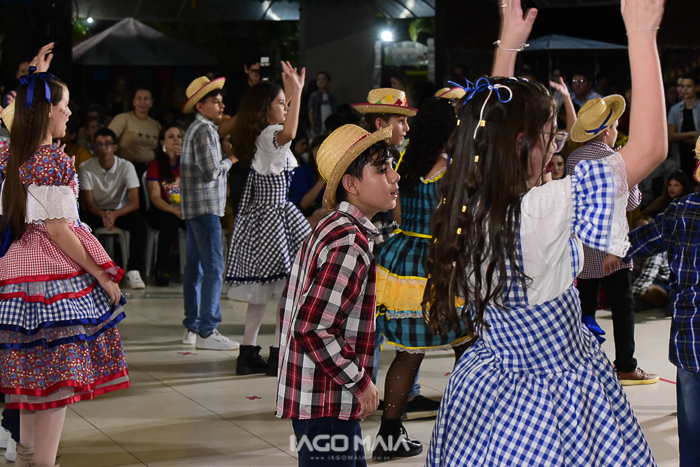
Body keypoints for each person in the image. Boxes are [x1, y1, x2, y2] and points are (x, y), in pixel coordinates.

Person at [424, 0, 665, 464]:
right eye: (551, 137)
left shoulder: (467, 204)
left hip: (488, 385)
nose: (555, 149)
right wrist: (641, 33)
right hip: (555, 395)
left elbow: (487, 124)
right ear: (523, 144)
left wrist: (508, 47)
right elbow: (651, 147)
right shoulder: (541, 210)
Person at [0, 61, 129, 467]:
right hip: (50, 271)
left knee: (28, 379)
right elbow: (58, 229)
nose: (69, 112)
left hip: (14, 267)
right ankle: (42, 462)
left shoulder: (8, 152)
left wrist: (35, 77)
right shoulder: (50, 160)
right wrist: (101, 273)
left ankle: (27, 457)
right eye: (63, 106)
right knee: (56, 382)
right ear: (45, 112)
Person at [276, 124, 395, 467]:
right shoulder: (349, 243)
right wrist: (360, 382)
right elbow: (312, 327)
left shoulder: (333, 226)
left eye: (391, 166)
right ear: (351, 184)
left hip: (324, 399)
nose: (395, 176)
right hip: (327, 403)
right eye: (381, 170)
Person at [372, 97, 472, 462]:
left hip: (405, 261)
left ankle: (388, 434)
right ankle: (469, 426)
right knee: (467, 347)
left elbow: (397, 213)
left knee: (408, 353)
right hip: (440, 264)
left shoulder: (404, 162)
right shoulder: (452, 168)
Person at [565, 95, 658, 385]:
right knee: (622, 307)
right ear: (607, 131)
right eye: (615, 126)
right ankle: (626, 366)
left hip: (583, 245)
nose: (617, 131)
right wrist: (632, 173)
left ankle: (583, 365)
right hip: (613, 246)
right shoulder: (616, 160)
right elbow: (632, 202)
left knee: (585, 307)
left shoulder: (573, 159)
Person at [226, 62, 311, 376]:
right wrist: (297, 92)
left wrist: (292, 90)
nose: (285, 108)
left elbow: (286, 123)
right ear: (265, 109)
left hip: (270, 216)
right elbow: (289, 131)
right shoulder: (271, 134)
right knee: (286, 289)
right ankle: (277, 353)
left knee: (266, 292)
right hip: (275, 217)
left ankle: (250, 352)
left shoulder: (262, 135)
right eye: (280, 103)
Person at [625, 136, 700, 467]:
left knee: (693, 432)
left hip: (691, 338)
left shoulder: (682, 211)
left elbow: (636, 243)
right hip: (689, 337)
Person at [180, 75, 238, 350]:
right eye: (216, 101)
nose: (222, 105)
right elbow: (210, 172)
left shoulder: (197, 128)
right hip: (206, 208)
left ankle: (192, 325)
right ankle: (207, 330)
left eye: (221, 100)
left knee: (195, 268)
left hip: (195, 209)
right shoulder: (204, 130)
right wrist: (231, 159)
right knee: (214, 267)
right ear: (200, 106)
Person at [79, 128, 148, 290]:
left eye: (108, 144)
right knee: (81, 224)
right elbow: (88, 202)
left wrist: (115, 214)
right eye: (99, 144)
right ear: (94, 147)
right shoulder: (86, 167)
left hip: (119, 211)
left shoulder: (126, 166)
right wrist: (102, 214)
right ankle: (90, 271)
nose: (104, 148)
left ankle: (133, 270)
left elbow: (135, 202)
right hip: (96, 211)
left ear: (115, 147)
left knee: (139, 223)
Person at [146, 124, 185, 287]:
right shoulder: (155, 164)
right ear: (162, 142)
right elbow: (155, 197)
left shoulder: (188, 162)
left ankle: (199, 269)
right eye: (171, 137)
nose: (176, 140)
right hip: (161, 209)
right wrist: (173, 210)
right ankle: (160, 270)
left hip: (185, 208)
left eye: (179, 136)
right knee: (169, 222)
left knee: (200, 222)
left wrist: (188, 159)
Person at [108, 87, 161, 176]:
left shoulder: (156, 125)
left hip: (150, 170)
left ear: (151, 102)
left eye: (146, 99)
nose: (143, 102)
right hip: (125, 168)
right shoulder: (123, 118)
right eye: (139, 99)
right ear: (133, 102)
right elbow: (107, 140)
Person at [630, 216, 670, 313]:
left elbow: (647, 276)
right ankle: (641, 303)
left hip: (659, 283)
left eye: (643, 228)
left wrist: (630, 292)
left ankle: (641, 302)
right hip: (637, 282)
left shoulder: (655, 249)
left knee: (649, 290)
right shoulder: (631, 246)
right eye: (636, 228)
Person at [667, 73, 700, 178]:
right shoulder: (675, 109)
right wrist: (692, 133)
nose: (684, 90)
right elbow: (670, 136)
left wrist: (679, 136)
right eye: (681, 86)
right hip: (680, 157)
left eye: (688, 86)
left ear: (697, 88)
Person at [307, 71, 337, 137]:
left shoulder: (331, 97)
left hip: (329, 125)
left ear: (328, 81)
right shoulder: (314, 96)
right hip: (318, 125)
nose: (321, 81)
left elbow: (334, 112)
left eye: (323, 79)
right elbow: (310, 112)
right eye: (318, 79)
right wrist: (313, 126)